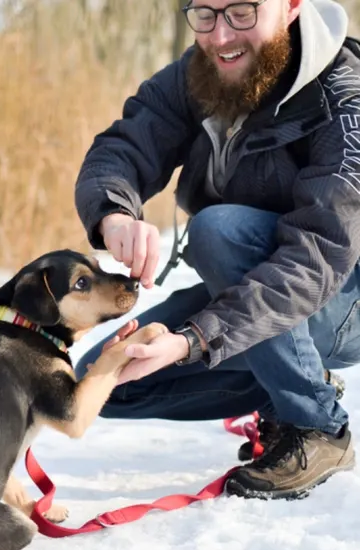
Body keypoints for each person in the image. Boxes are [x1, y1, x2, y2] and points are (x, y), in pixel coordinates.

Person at [75, 0, 360, 500]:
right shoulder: (199, 72)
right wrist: (114, 212)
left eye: (243, 12)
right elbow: (123, 147)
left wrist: (194, 339)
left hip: (342, 292)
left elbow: (317, 257)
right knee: (107, 378)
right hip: (259, 289)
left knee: (218, 231)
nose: (221, 35)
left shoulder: (346, 97)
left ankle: (318, 427)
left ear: (291, 6)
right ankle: (283, 386)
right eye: (205, 13)